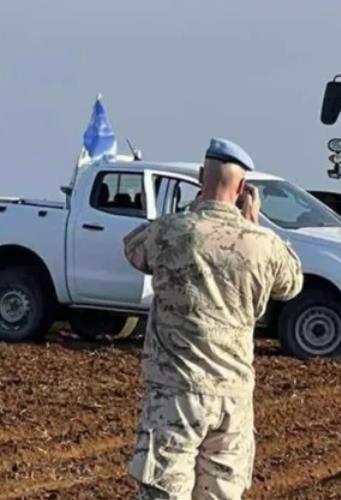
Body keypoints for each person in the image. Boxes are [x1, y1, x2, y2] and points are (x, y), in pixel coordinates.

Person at [123, 137, 304, 500]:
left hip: (176, 391)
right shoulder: (261, 243)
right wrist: (253, 222)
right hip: (232, 397)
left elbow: (133, 250)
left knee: (165, 491)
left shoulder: (170, 231)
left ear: (200, 176)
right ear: (242, 188)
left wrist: (195, 210)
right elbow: (292, 282)